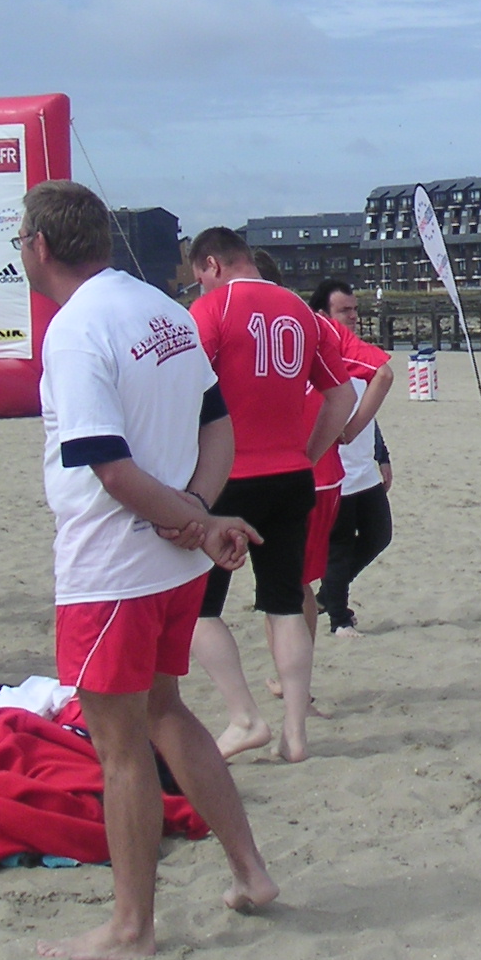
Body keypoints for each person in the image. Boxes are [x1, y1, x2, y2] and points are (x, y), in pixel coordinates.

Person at [18, 180, 277, 960]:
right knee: (166, 712)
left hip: (113, 565)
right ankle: (251, 873)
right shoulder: (163, 308)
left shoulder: (76, 329)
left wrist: (196, 521)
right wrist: (199, 513)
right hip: (165, 563)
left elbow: (108, 467)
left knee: (121, 747)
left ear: (38, 247)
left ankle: (131, 927)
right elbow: (217, 428)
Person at [186, 228, 354, 763]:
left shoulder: (214, 308)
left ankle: (244, 716)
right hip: (289, 474)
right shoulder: (304, 314)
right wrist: (308, 451)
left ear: (211, 264)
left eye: (198, 278)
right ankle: (295, 734)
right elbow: (341, 394)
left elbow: (185, 387)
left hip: (227, 477)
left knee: (198, 607)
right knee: (285, 603)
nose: (197, 289)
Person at [308, 279, 396, 638]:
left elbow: (369, 411)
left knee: (379, 536)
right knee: (339, 546)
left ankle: (327, 595)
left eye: (355, 309)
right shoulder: (317, 357)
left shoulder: (356, 352)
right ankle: (339, 619)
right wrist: (343, 434)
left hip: (364, 469)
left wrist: (382, 455)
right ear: (323, 314)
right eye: (345, 310)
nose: (353, 316)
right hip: (333, 471)